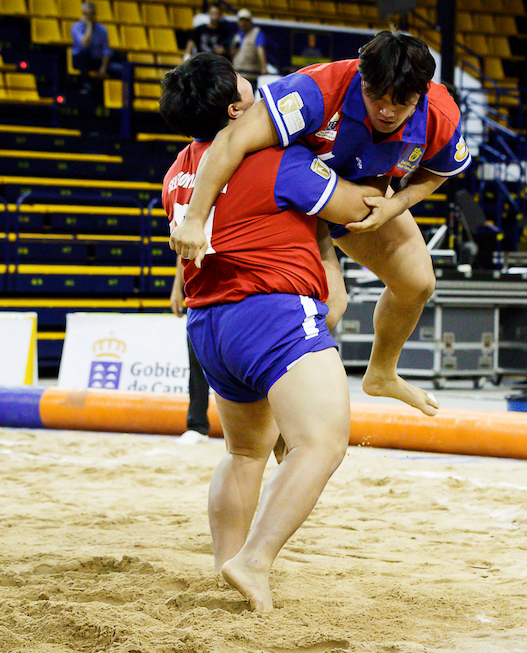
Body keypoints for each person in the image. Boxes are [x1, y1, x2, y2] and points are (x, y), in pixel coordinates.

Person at [160, 52, 383, 612]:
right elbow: (358, 207)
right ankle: (254, 560)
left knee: (244, 453)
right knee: (321, 444)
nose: (260, 91)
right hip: (271, 315)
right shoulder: (277, 159)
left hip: (211, 326)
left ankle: (227, 568)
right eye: (246, 86)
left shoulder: (178, 171)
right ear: (237, 111)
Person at [170, 30, 472, 417]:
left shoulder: (439, 114)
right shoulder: (314, 90)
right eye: (377, 98)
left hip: (359, 194)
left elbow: (438, 171)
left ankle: (381, 373)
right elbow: (230, 142)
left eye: (401, 103)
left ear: (422, 93)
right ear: (362, 78)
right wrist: (194, 219)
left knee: (418, 283)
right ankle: (279, 417)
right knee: (330, 307)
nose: (387, 111)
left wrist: (396, 205)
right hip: (295, 196)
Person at [170, 256, 212, 439]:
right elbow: (183, 251)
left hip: (237, 293)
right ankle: (197, 425)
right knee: (196, 362)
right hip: (199, 294)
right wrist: (176, 288)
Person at [70, 2, 114, 94]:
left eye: (91, 14)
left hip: (97, 61)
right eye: (86, 14)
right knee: (84, 52)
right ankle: (85, 85)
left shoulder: (102, 29)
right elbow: (84, 43)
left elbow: (106, 51)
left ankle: (116, 94)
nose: (89, 17)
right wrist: (89, 26)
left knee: (120, 69)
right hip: (81, 61)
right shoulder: (76, 27)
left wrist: (103, 68)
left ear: (95, 14)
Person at [231, 9, 267, 88]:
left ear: (250, 21)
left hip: (250, 75)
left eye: (246, 20)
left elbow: (260, 50)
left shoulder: (256, 33)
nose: (243, 23)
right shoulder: (237, 36)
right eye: (241, 20)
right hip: (237, 74)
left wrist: (263, 67)